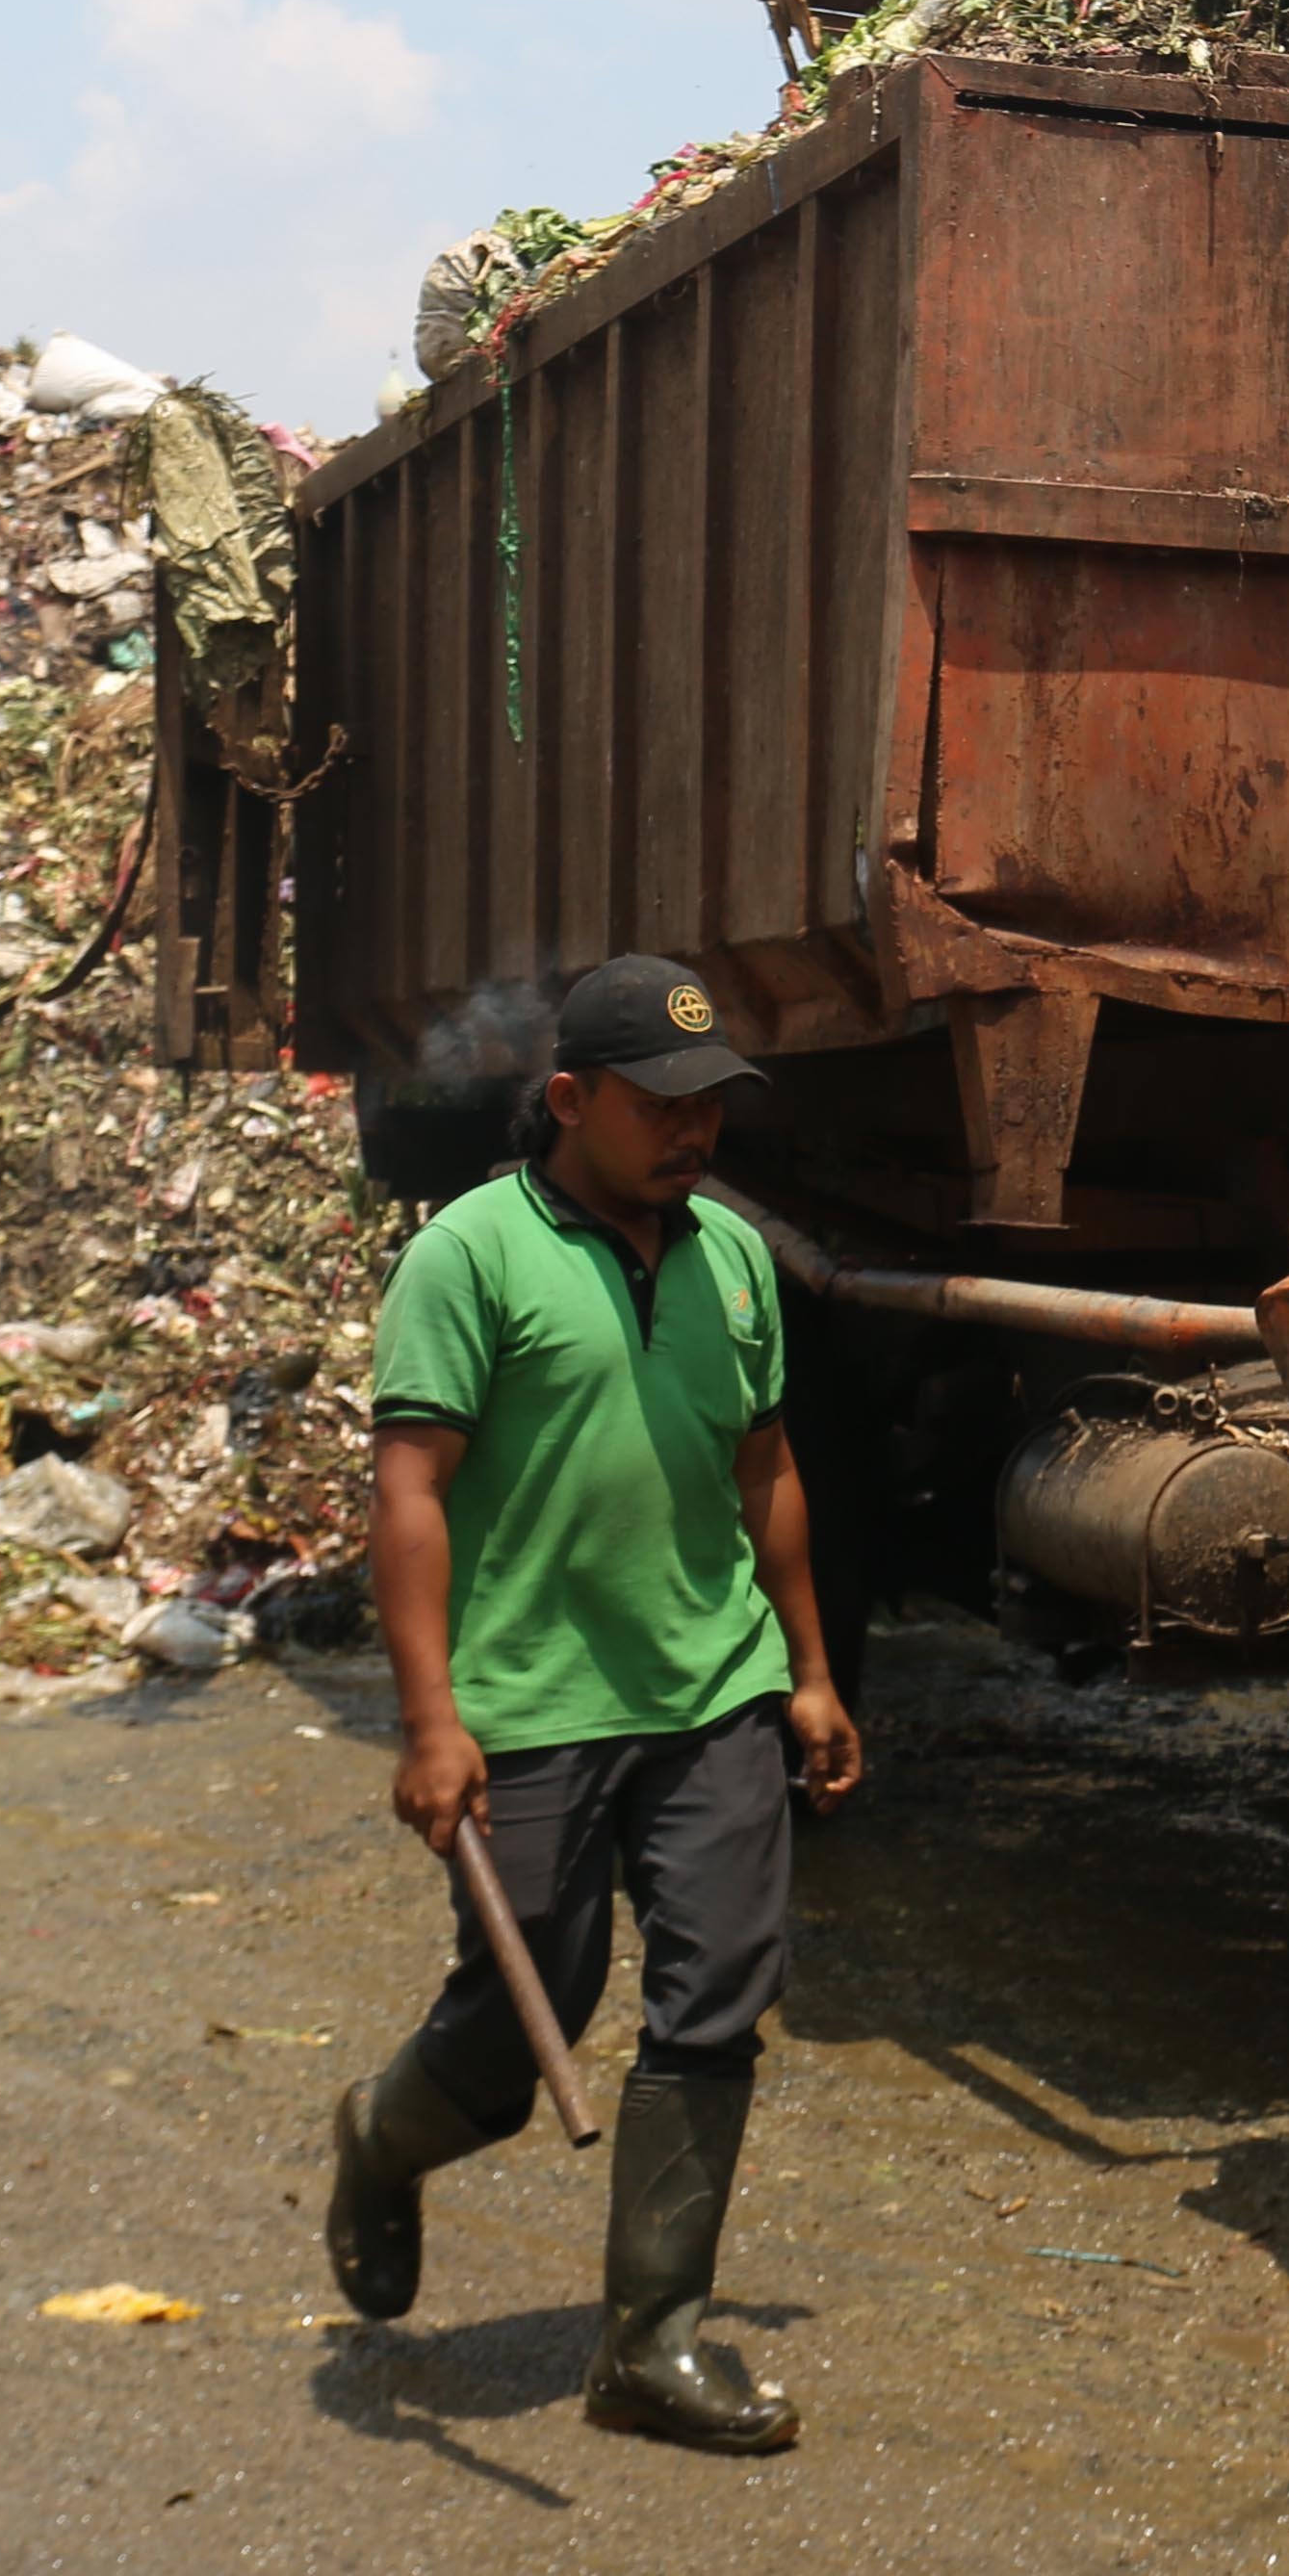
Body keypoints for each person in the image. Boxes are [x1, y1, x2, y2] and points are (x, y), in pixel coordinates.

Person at [324, 953, 866, 2453]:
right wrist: (430, 1722)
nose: (694, 1136)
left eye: (713, 1109)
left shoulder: (735, 1260)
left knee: (718, 1995)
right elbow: (411, 1494)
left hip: (711, 1689)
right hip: (534, 1703)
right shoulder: (469, 1258)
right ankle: (382, 2135)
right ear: (569, 1100)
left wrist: (808, 1672)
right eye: (662, 1106)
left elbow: (766, 1473)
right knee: (522, 2022)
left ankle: (653, 2345)